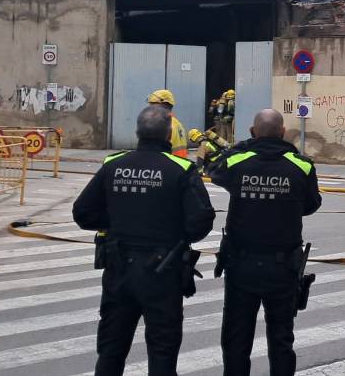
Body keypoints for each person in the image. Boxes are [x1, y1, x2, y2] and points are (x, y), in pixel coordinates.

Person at [73, 105, 215, 376]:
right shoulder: (182, 169)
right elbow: (200, 223)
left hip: (118, 269)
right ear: (169, 135)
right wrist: (175, 230)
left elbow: (83, 213)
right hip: (162, 272)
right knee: (162, 350)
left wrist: (115, 222)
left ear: (137, 132)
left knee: (111, 349)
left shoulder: (113, 164)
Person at [209, 109, 321, 376]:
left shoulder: (237, 162)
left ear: (252, 132)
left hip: (241, 265)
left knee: (236, 340)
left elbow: (213, 170)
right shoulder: (301, 165)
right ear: (283, 132)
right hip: (282, 268)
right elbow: (311, 205)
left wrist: (247, 145)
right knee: (281, 340)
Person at [148, 89, 189, 158]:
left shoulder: (161, 124)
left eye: (152, 104)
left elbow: (153, 153)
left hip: (167, 165)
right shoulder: (178, 123)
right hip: (179, 164)